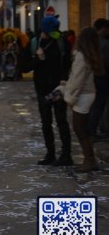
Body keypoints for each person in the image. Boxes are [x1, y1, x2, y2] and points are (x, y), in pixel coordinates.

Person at [58, 27, 104, 172]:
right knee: (83, 128)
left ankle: (89, 160)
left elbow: (78, 79)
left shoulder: (81, 56)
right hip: (88, 93)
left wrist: (69, 96)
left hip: (83, 95)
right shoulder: (90, 55)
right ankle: (90, 159)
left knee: (79, 128)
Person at [32, 16, 72, 166]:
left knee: (61, 121)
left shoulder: (63, 43)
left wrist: (64, 78)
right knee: (46, 122)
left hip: (57, 89)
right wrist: (39, 58)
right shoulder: (36, 43)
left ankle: (66, 155)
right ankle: (51, 154)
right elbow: (25, 66)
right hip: (42, 89)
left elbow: (67, 64)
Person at [88, 18, 109, 138]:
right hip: (102, 77)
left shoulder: (91, 42)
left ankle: (92, 129)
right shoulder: (104, 43)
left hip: (94, 77)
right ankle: (94, 130)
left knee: (95, 105)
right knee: (99, 105)